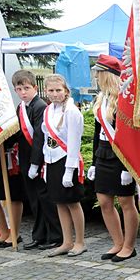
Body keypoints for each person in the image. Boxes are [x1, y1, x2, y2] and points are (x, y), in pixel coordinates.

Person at [87, 55, 138, 262]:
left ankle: (129, 246)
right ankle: (117, 242)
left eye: (99, 73)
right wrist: (92, 162)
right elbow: (97, 132)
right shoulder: (101, 98)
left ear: (107, 75)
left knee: (126, 201)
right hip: (103, 153)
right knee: (104, 201)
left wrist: (129, 166)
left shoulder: (124, 98)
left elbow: (131, 134)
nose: (96, 76)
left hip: (121, 156)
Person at [13, 70, 62, 250]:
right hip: (26, 159)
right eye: (19, 89)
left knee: (45, 199)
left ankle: (56, 235)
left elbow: (39, 137)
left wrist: (35, 163)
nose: (23, 92)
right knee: (35, 200)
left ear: (35, 87)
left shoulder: (39, 106)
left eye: (26, 88)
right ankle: (39, 235)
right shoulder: (21, 107)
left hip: (39, 160)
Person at [41, 74, 86, 257]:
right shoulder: (48, 110)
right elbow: (46, 139)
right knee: (59, 202)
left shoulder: (72, 111)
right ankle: (66, 241)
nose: (54, 94)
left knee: (72, 202)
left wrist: (69, 171)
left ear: (66, 91)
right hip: (52, 160)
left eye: (58, 90)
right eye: (51, 90)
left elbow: (74, 142)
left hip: (67, 160)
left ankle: (80, 242)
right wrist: (45, 165)